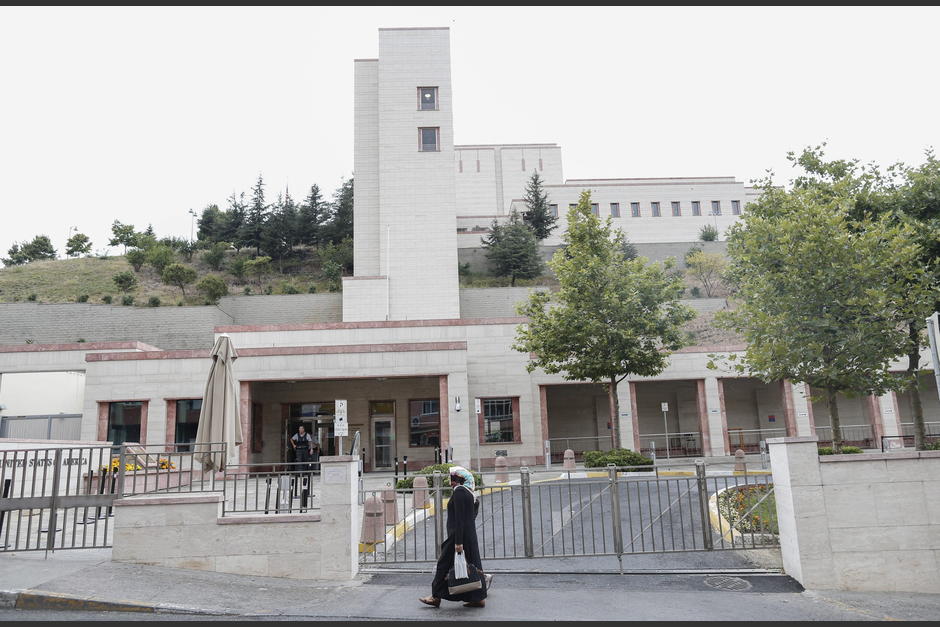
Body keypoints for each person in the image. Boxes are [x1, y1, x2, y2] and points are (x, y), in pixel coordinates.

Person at [419, 466, 487, 609]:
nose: (451, 483)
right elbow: (471, 516)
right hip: (468, 535)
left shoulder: (460, 492)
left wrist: (458, 542)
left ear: (461, 479)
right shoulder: (469, 493)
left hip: (458, 536)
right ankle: (478, 598)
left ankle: (435, 597)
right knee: (473, 565)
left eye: (454, 479)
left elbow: (459, 519)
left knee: (443, 565)